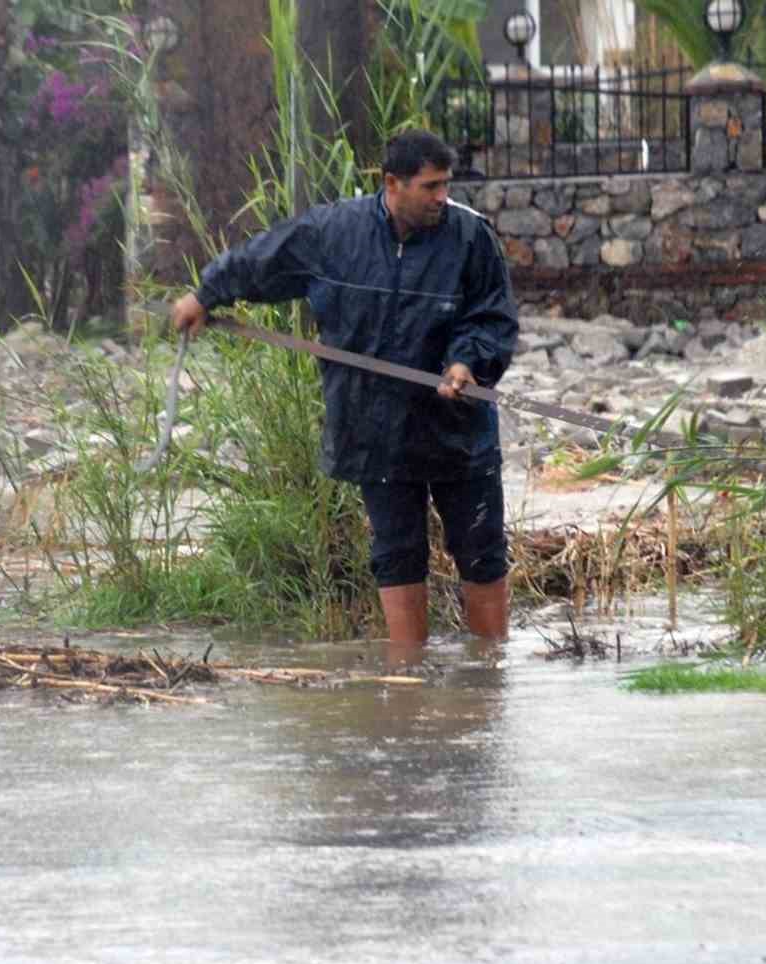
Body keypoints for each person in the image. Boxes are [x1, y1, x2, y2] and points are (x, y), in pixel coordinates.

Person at [171, 128, 519, 647]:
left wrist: (468, 363)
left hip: (458, 430)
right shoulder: (334, 231)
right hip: (373, 429)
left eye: (446, 185)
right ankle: (407, 682)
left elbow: (492, 316)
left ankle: (492, 676)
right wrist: (206, 294)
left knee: (482, 553)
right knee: (396, 558)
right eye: (430, 187)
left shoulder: (471, 237)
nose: (442, 198)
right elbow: (264, 260)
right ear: (392, 184)